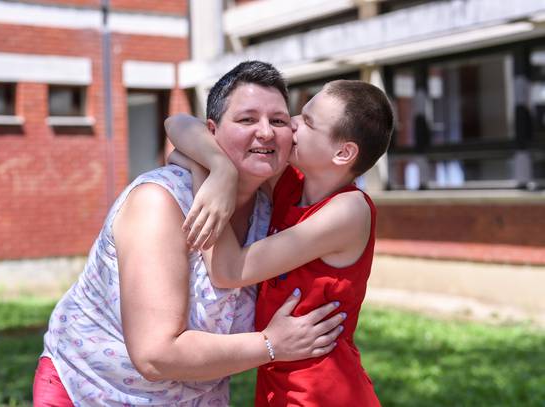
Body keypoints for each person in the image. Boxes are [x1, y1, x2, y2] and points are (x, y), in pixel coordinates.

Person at [33, 61, 345, 406]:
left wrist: (214, 166)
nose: (266, 132)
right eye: (246, 119)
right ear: (212, 132)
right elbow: (155, 355)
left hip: (198, 398)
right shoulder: (160, 203)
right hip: (93, 390)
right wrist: (271, 344)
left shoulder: (273, 200)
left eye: (278, 120)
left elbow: (179, 126)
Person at [166, 78, 394, 406]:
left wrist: (202, 174)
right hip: (279, 381)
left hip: (324, 391)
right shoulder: (290, 183)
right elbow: (178, 123)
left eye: (309, 123)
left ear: (343, 153)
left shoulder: (349, 210)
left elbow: (228, 269)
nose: (292, 125)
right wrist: (220, 169)